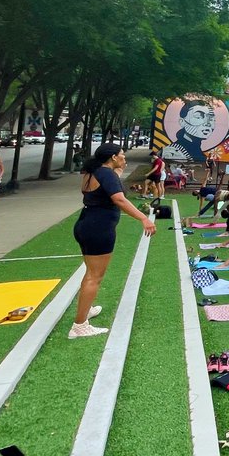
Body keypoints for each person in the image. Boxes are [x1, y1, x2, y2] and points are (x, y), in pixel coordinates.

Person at [71, 143, 155, 338]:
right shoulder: (106, 174)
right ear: (113, 157)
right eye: (122, 155)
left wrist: (118, 172)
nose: (124, 158)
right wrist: (143, 218)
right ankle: (79, 325)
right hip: (98, 228)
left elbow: (102, 193)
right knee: (95, 276)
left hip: (86, 224)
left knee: (90, 273)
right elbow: (119, 199)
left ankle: (85, 310)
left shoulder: (93, 172)